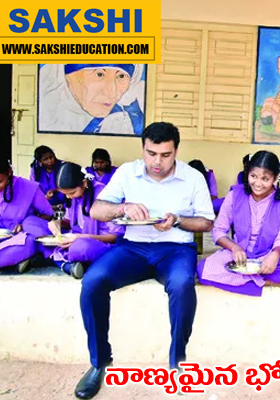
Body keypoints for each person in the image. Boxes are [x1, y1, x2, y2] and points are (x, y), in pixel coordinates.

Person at [73, 122, 215, 400]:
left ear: (176, 151)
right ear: (143, 148)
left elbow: (206, 222)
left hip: (174, 250)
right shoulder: (128, 172)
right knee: (93, 281)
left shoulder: (193, 177)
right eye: (151, 154)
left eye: (165, 155)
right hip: (133, 248)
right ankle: (99, 362)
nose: (157, 162)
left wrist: (178, 220)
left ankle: (178, 363)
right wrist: (123, 208)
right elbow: (97, 209)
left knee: (182, 283)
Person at [197, 150, 280, 296]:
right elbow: (218, 230)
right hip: (239, 257)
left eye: (265, 179)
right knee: (204, 271)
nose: (258, 184)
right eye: (253, 176)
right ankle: (272, 282)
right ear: (247, 174)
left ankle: (245, 280)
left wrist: (275, 255)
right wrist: (234, 248)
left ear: (276, 178)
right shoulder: (234, 195)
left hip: (269, 254)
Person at [46, 163, 124, 279]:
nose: (69, 197)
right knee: (37, 231)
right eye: (65, 194)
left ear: (84, 183)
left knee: (81, 247)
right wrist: (58, 223)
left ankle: (65, 265)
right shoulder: (72, 198)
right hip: (75, 240)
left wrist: (82, 237)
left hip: (101, 245)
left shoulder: (104, 195)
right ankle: (74, 264)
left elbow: (116, 236)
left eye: (72, 193)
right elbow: (71, 222)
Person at [0, 152, 54, 272]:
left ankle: (10, 260)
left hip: (20, 238)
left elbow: (49, 215)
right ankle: (14, 262)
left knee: (27, 244)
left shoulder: (29, 188)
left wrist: (25, 224)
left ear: (9, 172)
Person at [38, 64, 145, 135]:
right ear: (67, 75)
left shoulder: (118, 121)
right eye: (99, 74)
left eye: (121, 76)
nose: (112, 93)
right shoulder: (47, 113)